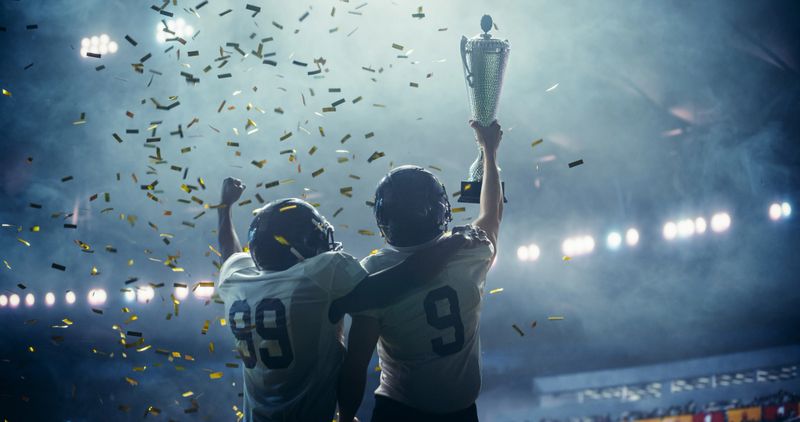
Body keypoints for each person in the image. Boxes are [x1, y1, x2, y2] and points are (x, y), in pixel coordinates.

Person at [215, 178, 477, 422]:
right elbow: (401, 280)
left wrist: (224, 209)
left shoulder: (239, 279)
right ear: (300, 247)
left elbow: (229, 251)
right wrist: (453, 243)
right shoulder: (317, 277)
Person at [338, 120, 504, 422]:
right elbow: (491, 213)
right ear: (441, 209)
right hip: (461, 412)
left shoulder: (373, 270)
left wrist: (346, 417)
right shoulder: (470, 253)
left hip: (398, 410)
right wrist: (489, 151)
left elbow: (355, 363)